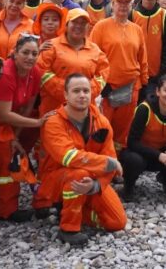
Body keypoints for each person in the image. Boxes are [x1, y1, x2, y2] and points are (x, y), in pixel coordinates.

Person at [39, 74, 127, 246]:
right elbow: (68, 157)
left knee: (117, 223)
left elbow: (110, 160)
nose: (82, 95)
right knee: (78, 174)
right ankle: (68, 228)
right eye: (76, 91)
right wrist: (106, 163)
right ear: (66, 95)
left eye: (86, 91)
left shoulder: (101, 122)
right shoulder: (53, 122)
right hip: (56, 179)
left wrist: (95, 186)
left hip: (91, 180)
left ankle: (72, 209)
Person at [0, 35, 52, 222]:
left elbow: (27, 107)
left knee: (16, 151)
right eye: (25, 52)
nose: (30, 57)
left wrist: (16, 137)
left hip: (14, 118)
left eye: (34, 53)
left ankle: (1, 196)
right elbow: (3, 114)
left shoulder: (35, 72)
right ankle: (6, 210)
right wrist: (38, 123)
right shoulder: (6, 74)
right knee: (7, 160)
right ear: (15, 53)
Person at [119, 75, 166, 200]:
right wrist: (158, 155)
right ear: (158, 91)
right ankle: (128, 185)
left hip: (162, 153)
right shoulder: (144, 109)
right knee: (133, 160)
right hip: (141, 153)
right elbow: (132, 143)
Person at [90, 0, 149, 148]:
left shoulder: (136, 29)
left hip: (131, 86)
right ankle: (101, 158)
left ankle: (118, 157)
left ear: (132, 5)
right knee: (102, 127)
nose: (123, 5)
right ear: (112, 4)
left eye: (126, 2)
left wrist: (144, 82)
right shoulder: (101, 26)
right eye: (119, 2)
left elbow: (142, 58)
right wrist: (99, 84)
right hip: (107, 88)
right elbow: (92, 56)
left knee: (123, 129)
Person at [38, 9, 109, 116]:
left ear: (88, 27)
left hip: (84, 110)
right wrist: (68, 92)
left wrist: (84, 92)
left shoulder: (95, 50)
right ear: (66, 25)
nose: (78, 26)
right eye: (74, 22)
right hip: (53, 110)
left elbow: (103, 73)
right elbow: (42, 70)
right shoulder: (51, 46)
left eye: (83, 23)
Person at [131, 0, 166, 101]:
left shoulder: (165, 16)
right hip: (134, 75)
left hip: (155, 76)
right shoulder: (131, 14)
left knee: (151, 108)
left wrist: (162, 73)